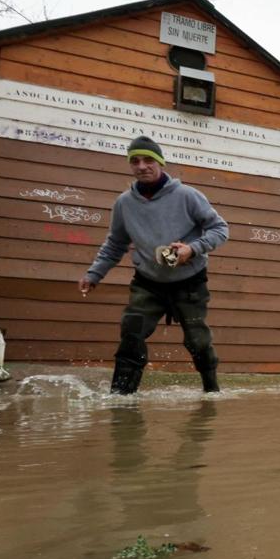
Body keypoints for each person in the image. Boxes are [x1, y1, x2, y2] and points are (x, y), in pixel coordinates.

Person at [78, 136, 230, 394]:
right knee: (131, 334)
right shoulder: (124, 203)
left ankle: (211, 391)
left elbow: (220, 229)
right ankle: (121, 396)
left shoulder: (187, 195)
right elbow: (116, 243)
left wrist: (191, 249)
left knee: (197, 341)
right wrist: (95, 273)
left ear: (160, 162)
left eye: (148, 160)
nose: (142, 166)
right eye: (135, 161)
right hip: (148, 282)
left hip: (189, 281)